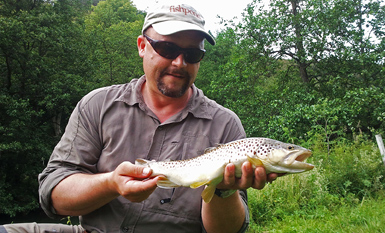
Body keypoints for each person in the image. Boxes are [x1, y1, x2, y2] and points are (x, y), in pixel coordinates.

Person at [0, 3, 279, 233]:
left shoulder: (225, 124)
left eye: (192, 53)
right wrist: (111, 183)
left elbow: (227, 232)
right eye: (167, 49)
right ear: (142, 46)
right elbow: (54, 196)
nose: (179, 62)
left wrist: (223, 191)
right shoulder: (98, 105)